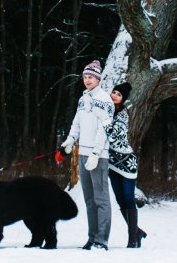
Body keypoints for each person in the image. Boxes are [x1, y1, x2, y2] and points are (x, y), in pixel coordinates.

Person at [59, 60, 114, 250]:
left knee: (101, 199)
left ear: (98, 78)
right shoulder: (83, 99)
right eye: (84, 77)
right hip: (82, 154)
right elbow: (77, 123)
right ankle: (92, 237)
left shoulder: (105, 99)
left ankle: (102, 239)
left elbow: (105, 128)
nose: (87, 80)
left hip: (98, 155)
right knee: (89, 200)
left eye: (90, 77)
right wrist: (69, 140)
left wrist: (96, 153)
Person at [94, 82, 147, 248]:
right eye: (114, 92)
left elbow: (115, 135)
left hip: (126, 162)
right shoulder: (107, 110)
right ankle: (137, 231)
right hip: (112, 163)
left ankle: (133, 239)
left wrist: (103, 122)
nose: (115, 96)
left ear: (123, 99)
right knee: (119, 200)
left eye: (119, 95)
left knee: (128, 199)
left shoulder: (123, 113)